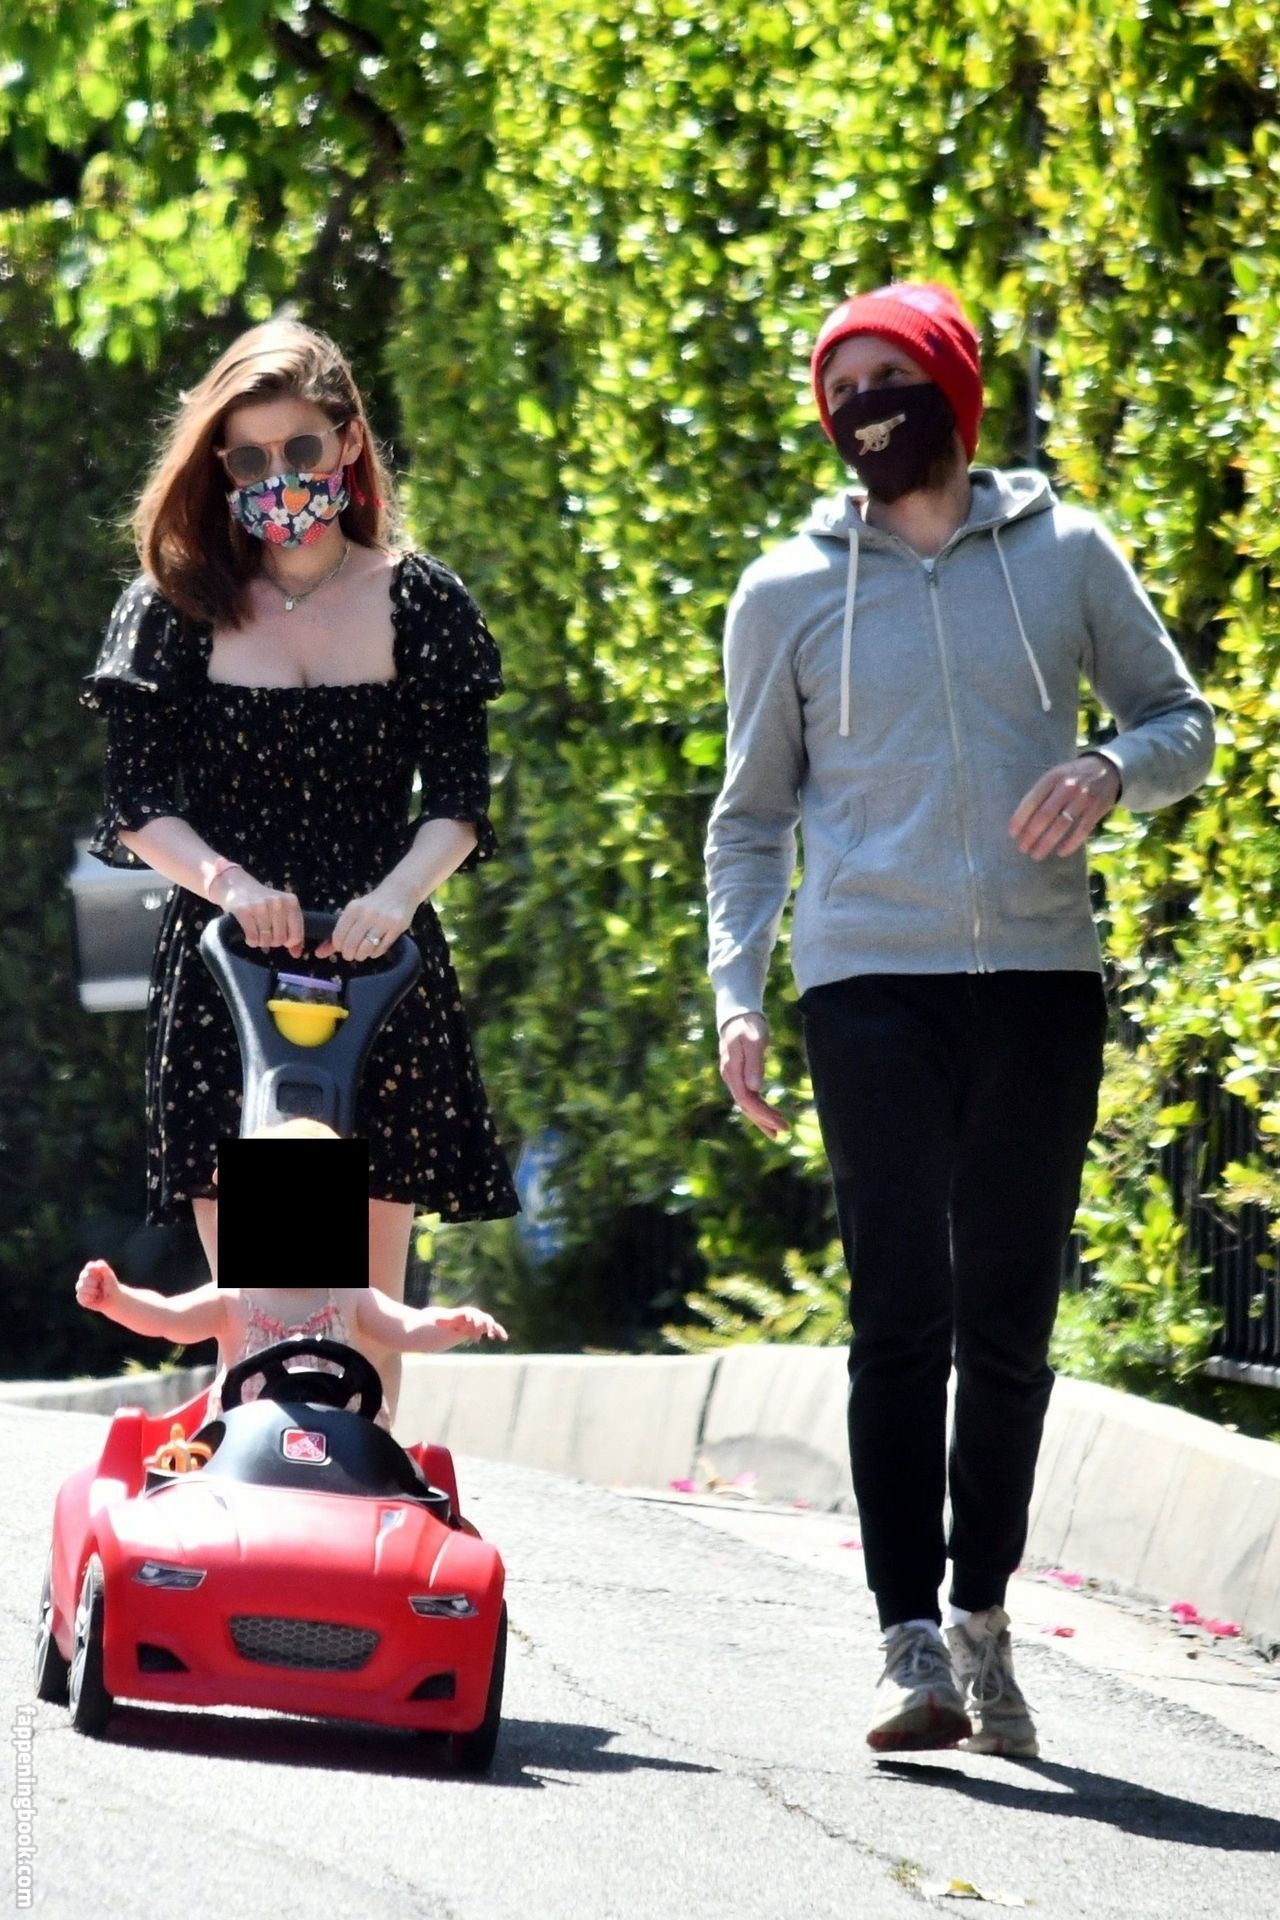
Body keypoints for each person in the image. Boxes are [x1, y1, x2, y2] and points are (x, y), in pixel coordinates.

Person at [705, 281, 1215, 1757]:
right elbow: (749, 818)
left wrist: (1111, 772)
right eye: (838, 390)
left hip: (1040, 984)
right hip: (866, 981)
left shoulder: (1065, 553)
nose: (862, 409)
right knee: (898, 1317)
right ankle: (905, 1641)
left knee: (1007, 1323)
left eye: (887, 378)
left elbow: (1181, 723)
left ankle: (983, 1617)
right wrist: (738, 988)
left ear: (948, 388)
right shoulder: (784, 591)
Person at [79, 319, 519, 1421]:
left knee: (363, 1316)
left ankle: (361, 1493)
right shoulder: (176, 607)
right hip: (234, 968)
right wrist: (231, 886)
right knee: (266, 1309)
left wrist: (395, 898)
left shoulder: (421, 603)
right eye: (249, 458)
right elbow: (140, 806)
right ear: (221, 469)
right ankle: (253, 1494)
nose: (279, 477)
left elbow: (458, 803)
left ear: (349, 443)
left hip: (378, 962)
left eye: (302, 450)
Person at [75, 1255, 507, 1434]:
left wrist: (451, 1324)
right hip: (240, 1454)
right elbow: (170, 1318)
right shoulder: (233, 1297)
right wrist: (118, 1300)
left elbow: (407, 1326)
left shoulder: (350, 1296)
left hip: (345, 1454)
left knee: (406, 1493)